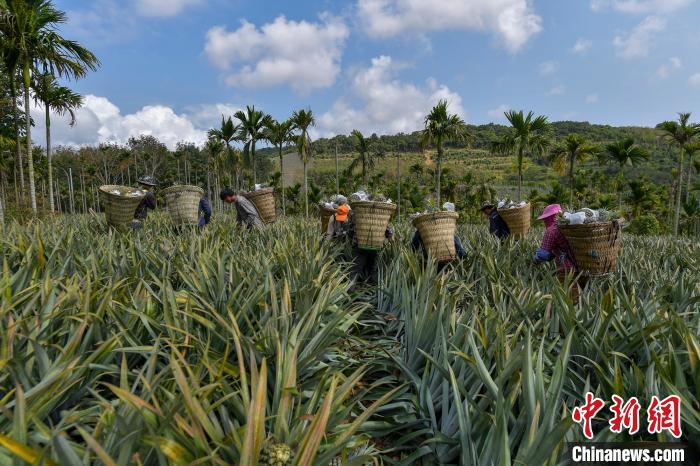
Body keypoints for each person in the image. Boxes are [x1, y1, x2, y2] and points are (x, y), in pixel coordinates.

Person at [325, 196, 393, 285]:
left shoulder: (356, 213)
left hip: (359, 245)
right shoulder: (382, 216)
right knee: (372, 269)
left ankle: (350, 290)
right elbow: (389, 232)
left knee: (355, 270)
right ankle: (375, 290)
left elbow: (350, 230)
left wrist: (350, 238)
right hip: (375, 246)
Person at [532, 204, 584, 302]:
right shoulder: (571, 226)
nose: (544, 221)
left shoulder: (551, 231)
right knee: (582, 294)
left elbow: (543, 255)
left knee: (568, 299)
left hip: (567, 269)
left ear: (550, 217)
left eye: (545, 218)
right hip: (584, 265)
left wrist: (535, 260)